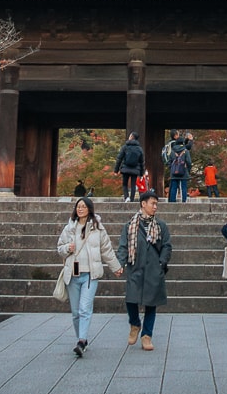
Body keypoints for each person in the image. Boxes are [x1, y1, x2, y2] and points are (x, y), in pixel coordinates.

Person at [57, 197, 124, 357]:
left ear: (89, 209)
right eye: (78, 206)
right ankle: (82, 338)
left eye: (83, 206)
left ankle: (81, 340)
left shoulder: (98, 228)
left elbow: (106, 249)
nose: (80, 209)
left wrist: (116, 267)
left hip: (90, 274)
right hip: (72, 275)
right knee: (75, 312)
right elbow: (59, 248)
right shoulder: (69, 228)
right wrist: (67, 248)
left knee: (84, 308)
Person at [116, 191, 171, 351]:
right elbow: (123, 247)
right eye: (152, 203)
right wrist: (120, 264)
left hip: (154, 268)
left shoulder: (160, 226)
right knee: (131, 299)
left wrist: (161, 263)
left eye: (156, 204)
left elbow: (167, 245)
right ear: (143, 204)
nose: (155, 207)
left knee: (151, 304)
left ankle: (147, 335)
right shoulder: (130, 226)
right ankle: (134, 323)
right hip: (136, 266)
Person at [114, 132, 146, 202]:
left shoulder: (125, 147)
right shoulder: (139, 149)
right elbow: (142, 162)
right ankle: (132, 199)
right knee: (133, 185)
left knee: (125, 184)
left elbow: (119, 158)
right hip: (135, 169)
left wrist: (116, 170)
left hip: (125, 168)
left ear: (131, 137)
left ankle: (126, 197)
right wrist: (141, 173)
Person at [165, 132, 192, 203]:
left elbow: (169, 162)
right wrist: (188, 170)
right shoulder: (185, 151)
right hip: (183, 171)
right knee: (183, 187)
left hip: (174, 172)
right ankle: (183, 201)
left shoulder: (172, 151)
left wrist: (172, 168)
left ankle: (173, 201)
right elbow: (189, 162)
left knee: (174, 187)